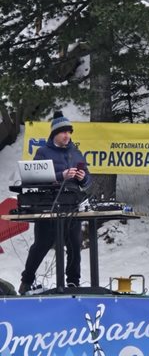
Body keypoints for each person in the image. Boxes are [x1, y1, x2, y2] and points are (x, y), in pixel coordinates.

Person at [19, 111, 92, 295]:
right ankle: (27, 280)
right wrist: (61, 176)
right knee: (42, 245)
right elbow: (32, 179)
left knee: (74, 245)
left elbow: (89, 181)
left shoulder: (76, 153)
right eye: (63, 132)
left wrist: (83, 179)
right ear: (54, 134)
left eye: (69, 132)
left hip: (72, 206)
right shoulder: (43, 152)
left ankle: (73, 283)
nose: (67, 135)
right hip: (49, 206)